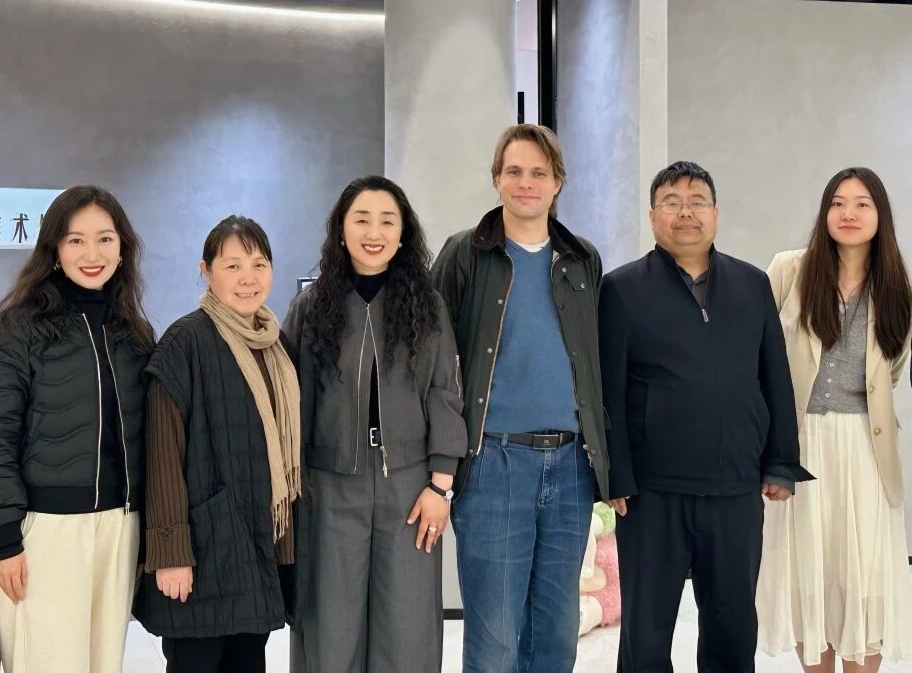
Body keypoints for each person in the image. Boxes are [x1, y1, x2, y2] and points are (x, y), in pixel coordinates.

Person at [600, 160, 811, 673]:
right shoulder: (622, 289)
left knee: (732, 628)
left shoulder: (752, 284)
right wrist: (615, 475)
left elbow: (774, 377)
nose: (685, 213)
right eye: (671, 203)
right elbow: (608, 391)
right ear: (653, 215)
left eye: (697, 202)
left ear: (715, 213)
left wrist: (781, 461)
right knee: (646, 634)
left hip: (735, 488)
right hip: (651, 493)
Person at [432, 123, 607, 673]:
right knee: (495, 642)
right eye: (514, 171)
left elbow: (596, 362)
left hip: (571, 466)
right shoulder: (464, 254)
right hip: (493, 462)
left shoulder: (582, 259)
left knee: (555, 635)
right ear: (496, 179)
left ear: (558, 182)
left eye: (538, 172)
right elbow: (431, 359)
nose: (526, 183)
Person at [284, 176, 467, 673]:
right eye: (361, 219)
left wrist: (441, 485)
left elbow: (445, 391)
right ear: (341, 231)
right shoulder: (310, 307)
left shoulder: (426, 306)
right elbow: (288, 400)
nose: (374, 232)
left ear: (403, 233)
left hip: (409, 487)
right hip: (327, 485)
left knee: (407, 628)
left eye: (387, 221)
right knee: (330, 625)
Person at [0, 184, 154, 673]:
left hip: (120, 525)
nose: (92, 254)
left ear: (122, 248)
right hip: (46, 531)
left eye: (105, 239)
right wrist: (6, 541)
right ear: (54, 249)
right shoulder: (18, 329)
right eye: (76, 240)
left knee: (102, 663)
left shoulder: (133, 333)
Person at [756, 167, 912, 671]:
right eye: (838, 203)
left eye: (862, 203)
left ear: (880, 215)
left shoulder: (896, 287)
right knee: (809, 573)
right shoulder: (789, 270)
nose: (849, 213)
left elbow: (892, 371)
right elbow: (759, 352)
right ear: (825, 212)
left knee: (865, 576)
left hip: (866, 448)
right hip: (800, 440)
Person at [135, 215, 300, 673]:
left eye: (259, 264)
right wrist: (171, 554)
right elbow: (162, 455)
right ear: (206, 271)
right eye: (232, 266)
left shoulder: (277, 346)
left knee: (248, 662)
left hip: (256, 546)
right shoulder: (184, 342)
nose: (248, 277)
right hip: (202, 553)